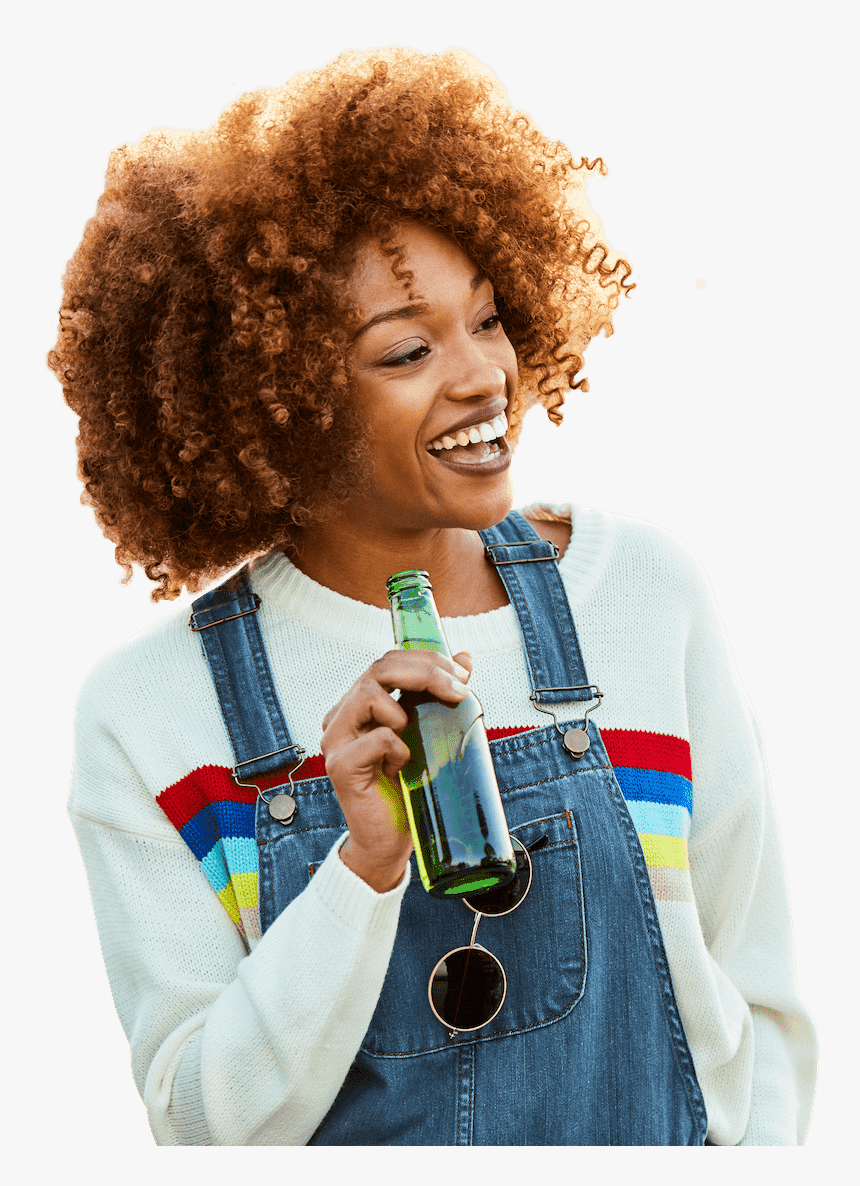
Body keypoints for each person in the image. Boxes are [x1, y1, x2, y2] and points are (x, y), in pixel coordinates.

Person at [48, 47, 817, 1146]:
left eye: (491, 317)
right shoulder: (152, 713)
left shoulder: (644, 597)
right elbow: (204, 1125)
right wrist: (361, 867)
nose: (481, 376)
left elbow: (763, 1020)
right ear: (276, 402)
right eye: (406, 349)